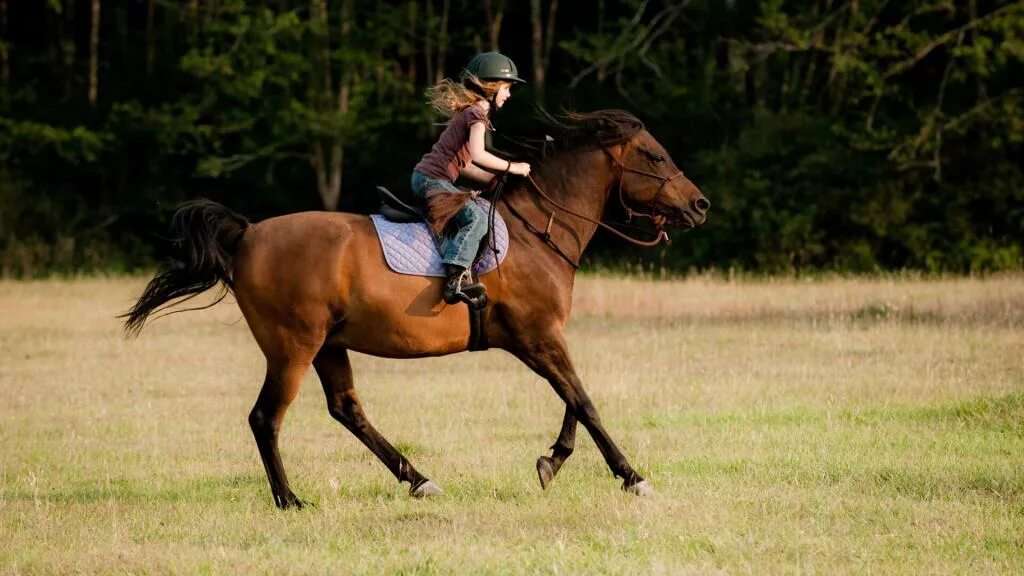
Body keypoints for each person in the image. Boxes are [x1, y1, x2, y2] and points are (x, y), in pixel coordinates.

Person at [411, 52, 531, 306]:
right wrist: (513, 167)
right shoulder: (477, 113)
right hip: (431, 181)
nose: (508, 95)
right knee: (476, 219)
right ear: (491, 87)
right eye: (507, 88)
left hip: (427, 178)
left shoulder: (471, 112)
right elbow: (478, 154)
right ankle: (455, 278)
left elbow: (465, 165)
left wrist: (491, 178)